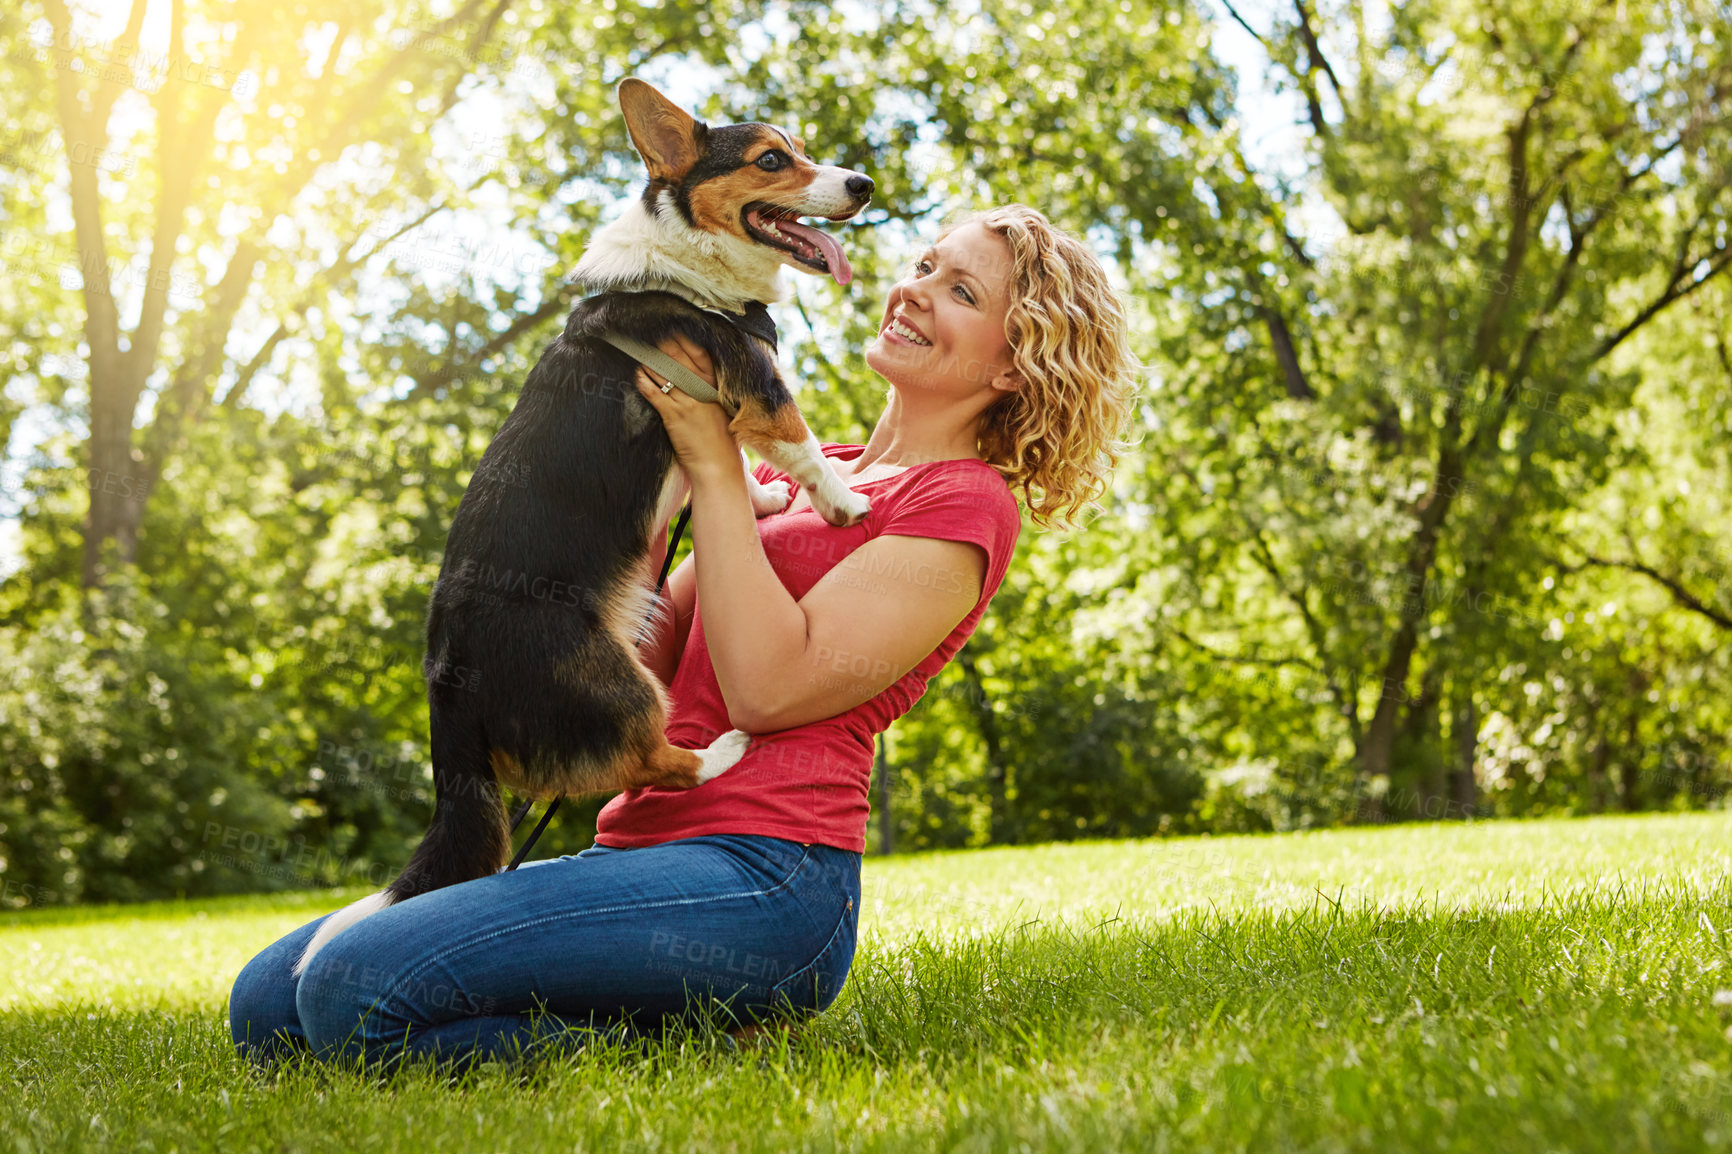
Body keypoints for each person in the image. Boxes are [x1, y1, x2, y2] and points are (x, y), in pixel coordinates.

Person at [227, 204, 1139, 1071]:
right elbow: (649, 660)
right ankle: (647, 1010)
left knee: (349, 994)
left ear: (1015, 367)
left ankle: (696, 1038)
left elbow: (766, 691)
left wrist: (715, 469)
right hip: (640, 850)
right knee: (269, 1006)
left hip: (768, 877)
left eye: (961, 292)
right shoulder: (824, 474)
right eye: (923, 266)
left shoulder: (960, 504)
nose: (915, 289)